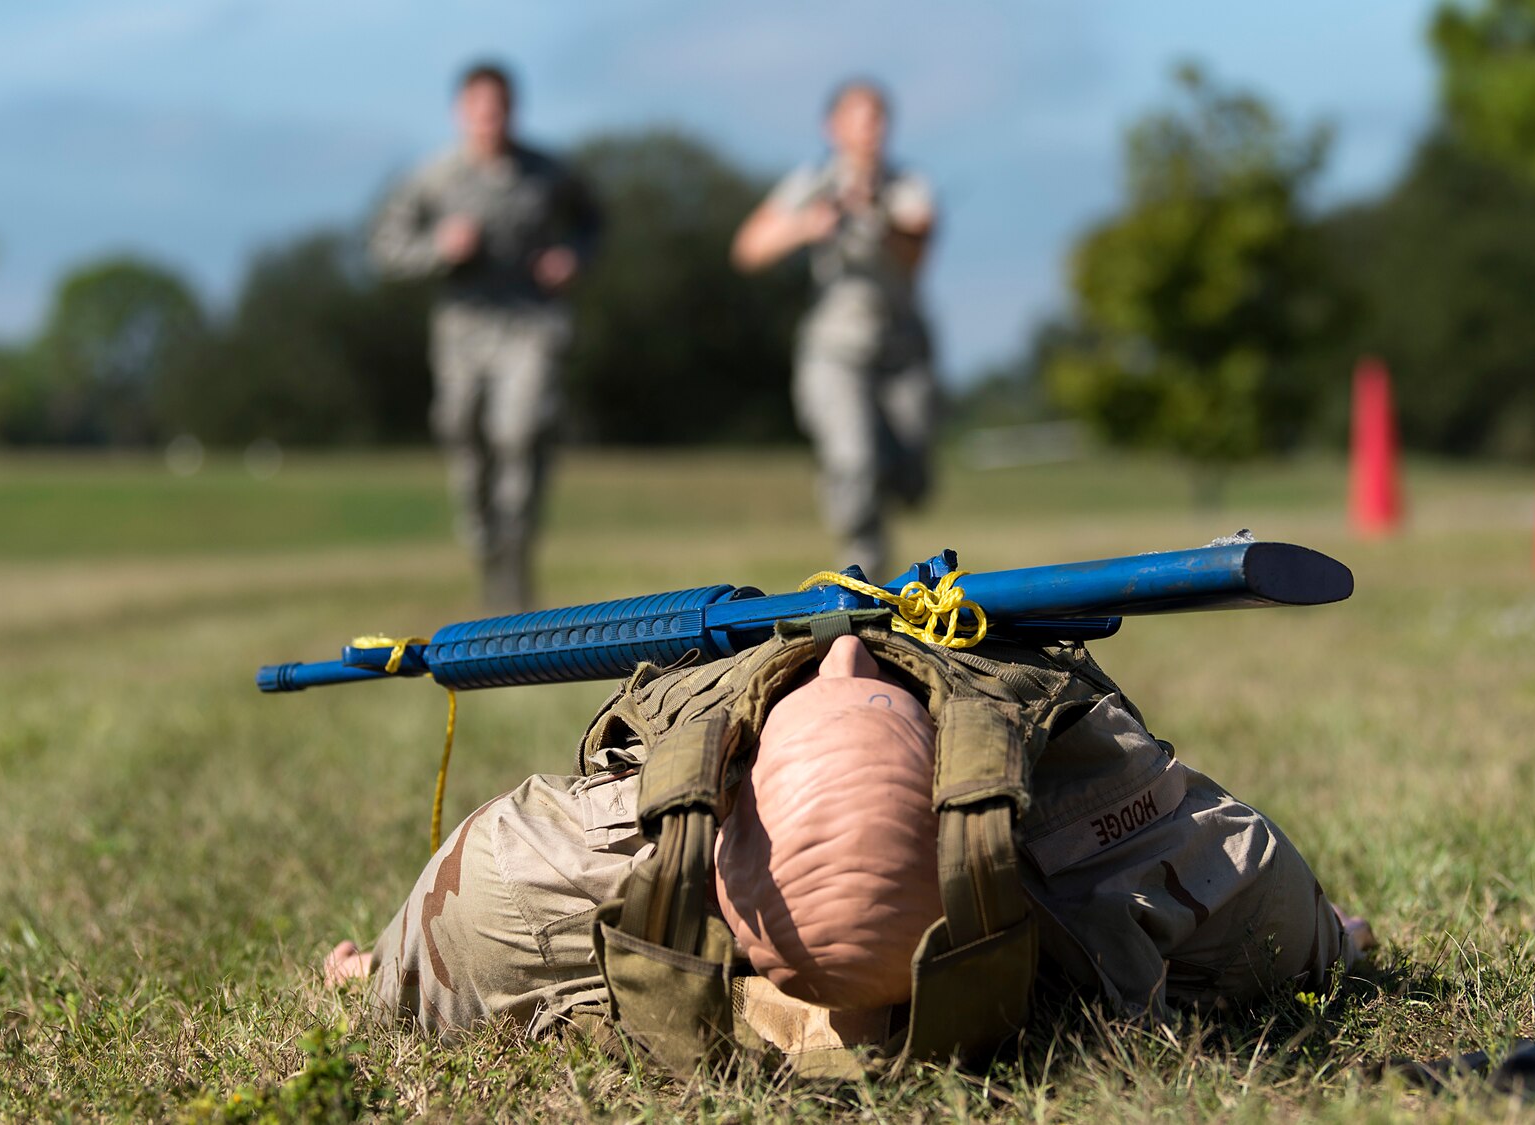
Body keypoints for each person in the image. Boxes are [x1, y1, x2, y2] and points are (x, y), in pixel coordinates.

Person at [326, 624, 1376, 1071]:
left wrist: (389, 977)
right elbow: (1301, 935)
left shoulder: (1121, 831)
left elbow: (1293, 925)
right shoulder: (554, 864)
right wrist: (390, 971)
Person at [370, 62, 603, 611]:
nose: (489, 118)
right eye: (478, 108)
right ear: (461, 113)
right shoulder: (435, 177)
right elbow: (384, 247)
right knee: (464, 433)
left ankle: (517, 564)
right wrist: (438, 248)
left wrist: (572, 256)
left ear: (512, 111)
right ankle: (485, 543)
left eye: (498, 108)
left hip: (531, 326)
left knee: (519, 431)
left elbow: (592, 222)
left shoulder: (548, 172)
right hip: (463, 331)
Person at [732, 80, 940, 581]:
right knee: (853, 461)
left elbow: (919, 247)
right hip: (835, 350)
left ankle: (883, 497)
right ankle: (865, 582)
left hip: (901, 350)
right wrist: (807, 226)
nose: (873, 130)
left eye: (880, 118)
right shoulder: (811, 182)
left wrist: (878, 219)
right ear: (834, 127)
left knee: (911, 479)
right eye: (862, 118)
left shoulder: (906, 186)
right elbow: (748, 249)